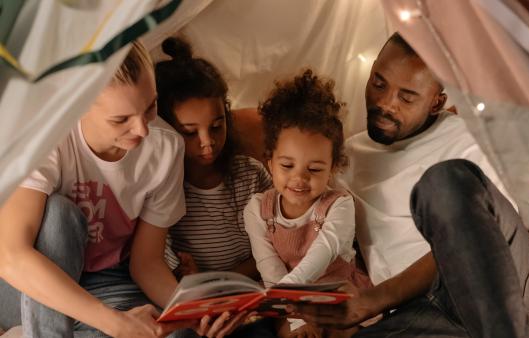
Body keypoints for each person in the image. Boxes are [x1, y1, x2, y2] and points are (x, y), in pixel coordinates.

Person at [290, 32, 529, 338]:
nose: (385, 104)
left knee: (443, 182)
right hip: (426, 311)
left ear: (437, 102)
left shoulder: (469, 137)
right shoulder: (344, 159)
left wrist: (371, 301)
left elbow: (486, 239)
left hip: (514, 289)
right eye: (378, 84)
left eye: (406, 97)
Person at [0, 41, 245, 338]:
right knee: (58, 215)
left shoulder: (165, 148)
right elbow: (10, 255)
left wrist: (195, 312)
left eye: (151, 107)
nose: (142, 130)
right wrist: (113, 322)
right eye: (121, 120)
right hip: (24, 284)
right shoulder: (47, 137)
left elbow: (146, 264)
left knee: (176, 334)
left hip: (108, 281)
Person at [244, 69, 372, 338]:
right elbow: (269, 267)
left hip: (337, 295)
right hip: (286, 302)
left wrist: (289, 294)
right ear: (270, 162)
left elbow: (322, 253)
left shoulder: (339, 204)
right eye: (287, 165)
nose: (299, 178)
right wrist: (296, 319)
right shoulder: (257, 209)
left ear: (333, 167)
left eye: (314, 169)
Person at [154, 37, 273, 280]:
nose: (207, 141)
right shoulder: (164, 190)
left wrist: (227, 279)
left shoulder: (251, 174)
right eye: (189, 132)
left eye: (217, 126)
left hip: (258, 287)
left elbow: (279, 243)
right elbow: (164, 264)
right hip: (202, 297)